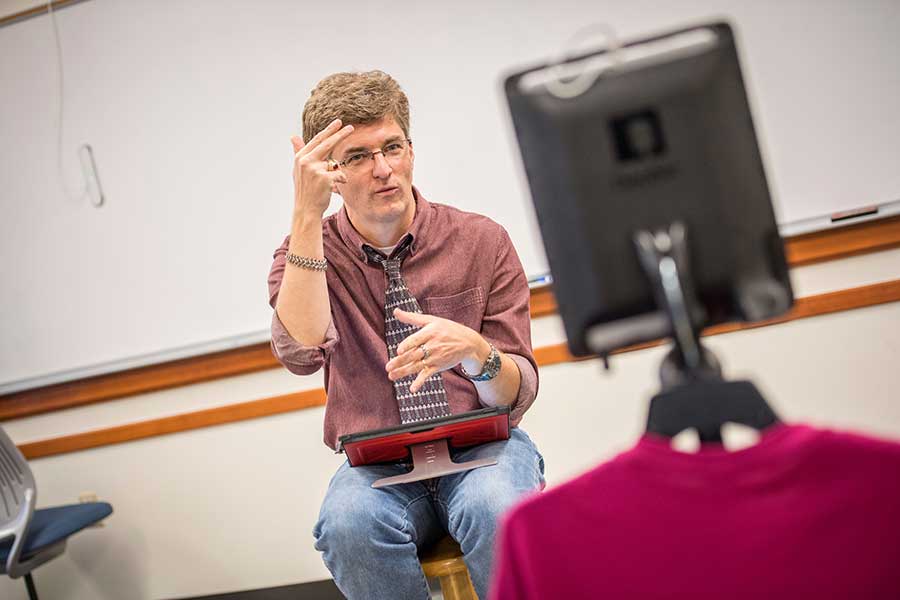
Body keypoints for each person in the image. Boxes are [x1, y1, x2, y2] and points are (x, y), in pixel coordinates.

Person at [267, 70, 544, 600]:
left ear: (411, 150)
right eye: (358, 156)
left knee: (496, 507)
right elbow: (299, 353)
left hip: (485, 451)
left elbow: (517, 393)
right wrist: (306, 214)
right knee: (347, 525)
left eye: (392, 147)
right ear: (329, 172)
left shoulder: (481, 241)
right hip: (378, 469)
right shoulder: (303, 253)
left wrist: (477, 353)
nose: (383, 169)